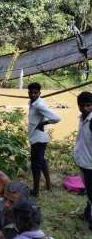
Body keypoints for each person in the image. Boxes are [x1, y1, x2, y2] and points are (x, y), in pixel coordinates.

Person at [27, 82, 61, 196]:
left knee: (36, 164)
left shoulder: (38, 105)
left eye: (35, 93)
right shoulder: (32, 102)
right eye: (30, 92)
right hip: (38, 137)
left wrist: (44, 123)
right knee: (42, 161)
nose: (32, 95)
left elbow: (56, 118)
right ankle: (49, 183)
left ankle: (35, 190)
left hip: (38, 139)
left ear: (39, 93)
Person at [73, 92, 92, 238]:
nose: (85, 108)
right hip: (84, 162)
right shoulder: (82, 118)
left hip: (90, 164)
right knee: (89, 191)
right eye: (82, 105)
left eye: (88, 105)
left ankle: (91, 228)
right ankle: (87, 213)